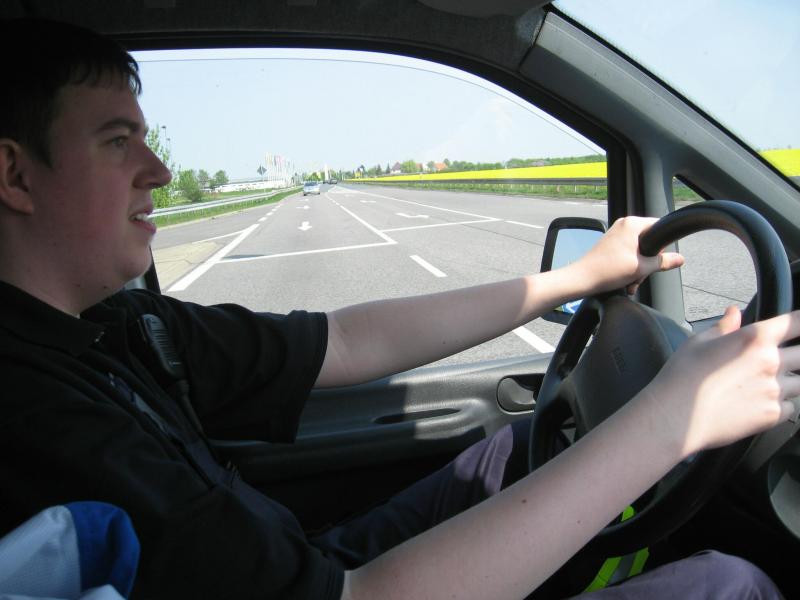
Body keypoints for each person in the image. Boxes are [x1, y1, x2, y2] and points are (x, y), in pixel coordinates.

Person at [0, 17, 794, 600]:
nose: (161, 170)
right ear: (15, 176)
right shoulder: (37, 421)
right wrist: (673, 418)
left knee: (515, 449)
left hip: (312, 563)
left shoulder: (124, 330)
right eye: (117, 142)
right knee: (729, 586)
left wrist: (575, 277)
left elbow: (348, 339)